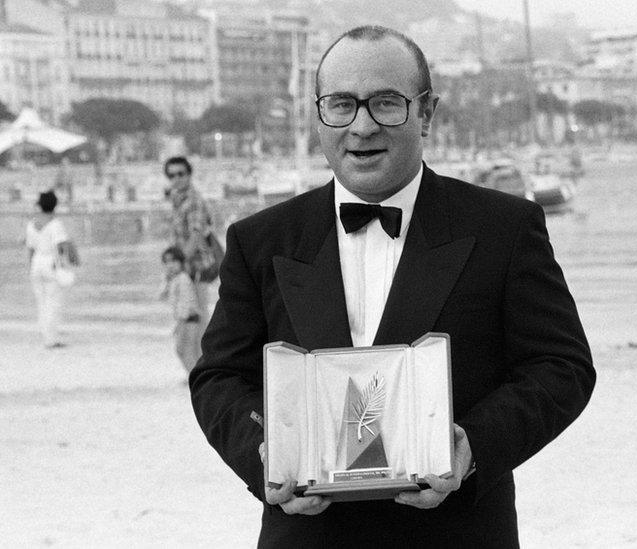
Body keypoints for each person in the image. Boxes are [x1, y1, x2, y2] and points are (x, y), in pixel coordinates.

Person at [189, 25, 595, 548]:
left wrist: (472, 447)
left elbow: (562, 367)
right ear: (320, 114)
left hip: (458, 533)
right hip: (307, 535)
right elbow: (218, 377)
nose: (361, 127)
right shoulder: (259, 239)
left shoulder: (505, 228)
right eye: (341, 105)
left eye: (386, 103)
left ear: (426, 113)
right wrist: (264, 454)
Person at [163, 156, 214, 334]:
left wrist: (179, 265)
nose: (176, 179)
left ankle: (205, 362)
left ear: (189, 174)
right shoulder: (177, 199)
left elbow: (196, 235)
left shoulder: (194, 201)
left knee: (196, 331)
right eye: (171, 176)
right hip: (184, 271)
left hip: (195, 270)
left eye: (180, 174)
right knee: (186, 332)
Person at [25, 190, 78, 348]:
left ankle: (44, 333)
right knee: (53, 302)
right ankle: (51, 339)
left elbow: (30, 248)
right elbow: (61, 246)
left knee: (41, 301)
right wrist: (63, 264)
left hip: (36, 263)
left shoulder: (31, 224)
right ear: (55, 205)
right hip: (50, 262)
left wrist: (30, 267)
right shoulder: (55, 224)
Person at [159, 246, 202, 375]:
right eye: (167, 262)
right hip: (185, 319)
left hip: (189, 319)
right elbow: (161, 296)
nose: (170, 265)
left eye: (173, 261)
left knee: (185, 350)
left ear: (180, 262)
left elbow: (185, 304)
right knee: (182, 350)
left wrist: (180, 324)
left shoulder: (183, 279)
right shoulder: (174, 279)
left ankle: (195, 377)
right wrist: (166, 279)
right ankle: (193, 376)